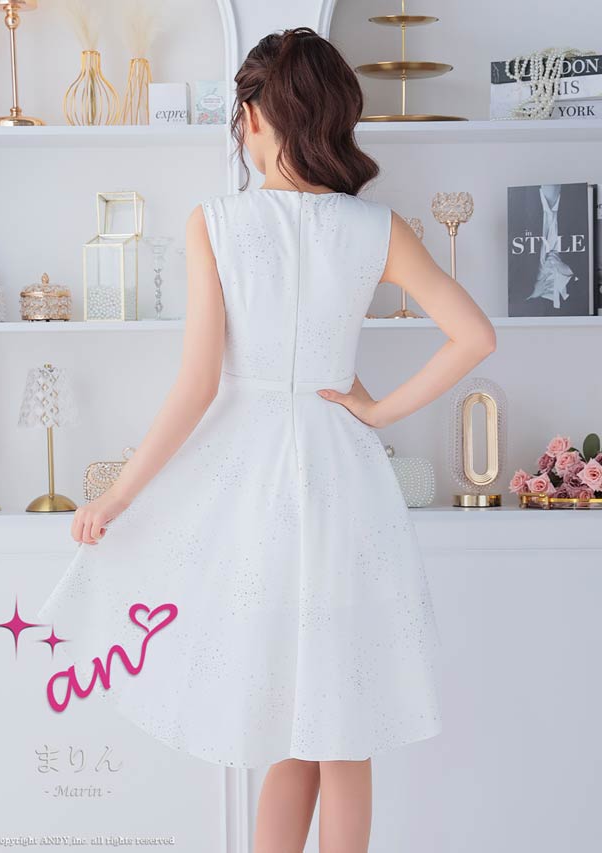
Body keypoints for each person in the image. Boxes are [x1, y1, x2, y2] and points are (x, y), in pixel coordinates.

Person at [37, 26, 496, 853]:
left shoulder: (215, 223)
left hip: (249, 489)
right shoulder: (376, 228)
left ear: (253, 115)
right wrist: (378, 412)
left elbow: (198, 385)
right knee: (341, 725)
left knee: (289, 720)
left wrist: (119, 496)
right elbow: (475, 336)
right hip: (343, 481)